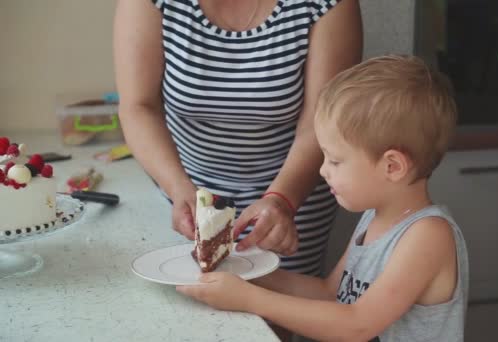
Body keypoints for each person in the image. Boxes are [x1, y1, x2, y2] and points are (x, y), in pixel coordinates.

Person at [176, 55, 469, 342]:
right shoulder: (375, 217)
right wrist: (241, 269)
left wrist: (249, 299)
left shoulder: (428, 235)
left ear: (391, 166)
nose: (322, 170)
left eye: (335, 161)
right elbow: (331, 293)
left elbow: (357, 325)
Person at [114, 0, 362, 275]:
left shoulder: (327, 4)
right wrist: (177, 188)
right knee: (189, 302)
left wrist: (281, 199)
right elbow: (138, 107)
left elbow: (321, 122)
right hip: (183, 192)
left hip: (290, 195)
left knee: (279, 308)